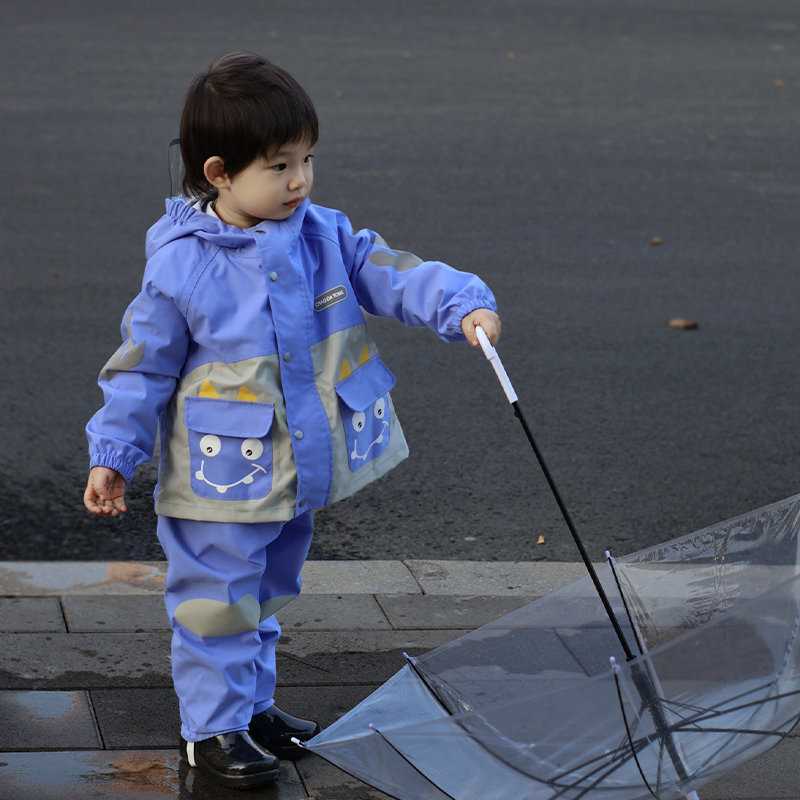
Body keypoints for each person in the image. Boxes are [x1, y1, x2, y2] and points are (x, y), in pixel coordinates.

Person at [84, 51, 501, 789]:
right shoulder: (183, 265)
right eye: (280, 166)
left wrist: (460, 304)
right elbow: (142, 366)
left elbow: (389, 271)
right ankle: (211, 732)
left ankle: (252, 709)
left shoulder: (321, 234)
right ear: (219, 173)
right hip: (218, 479)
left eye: (307, 159)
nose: (300, 180)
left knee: (269, 590)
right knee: (217, 602)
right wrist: (113, 452)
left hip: (291, 472)